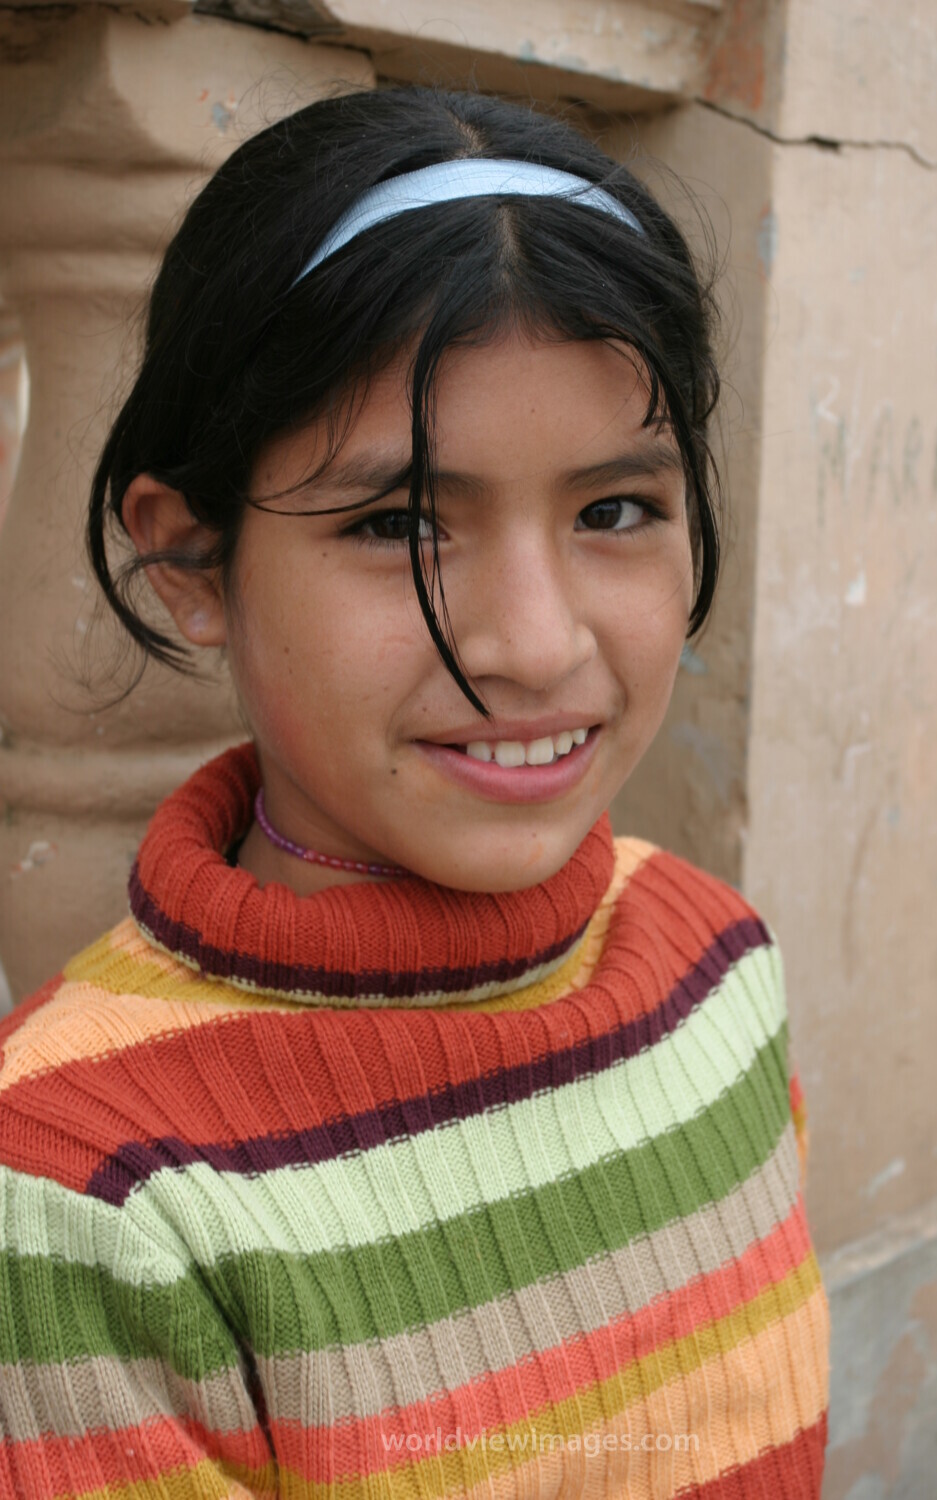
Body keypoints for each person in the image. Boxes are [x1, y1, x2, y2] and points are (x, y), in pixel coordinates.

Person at [0, 86, 830, 1498]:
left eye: (614, 510)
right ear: (190, 563)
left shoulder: (710, 959)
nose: (533, 643)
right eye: (398, 526)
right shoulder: (95, 1196)